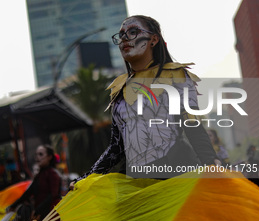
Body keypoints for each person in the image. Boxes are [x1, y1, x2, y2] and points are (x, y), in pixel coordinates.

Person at [70, 15, 220, 188]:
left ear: (153, 40)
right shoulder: (120, 89)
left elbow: (192, 125)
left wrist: (210, 161)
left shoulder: (175, 76)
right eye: (121, 35)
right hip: (138, 183)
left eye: (133, 32)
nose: (124, 38)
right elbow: (116, 147)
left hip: (176, 175)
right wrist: (87, 177)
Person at [9, 144, 62, 221]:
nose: (37, 157)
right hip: (41, 215)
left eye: (41, 154)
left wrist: (37, 210)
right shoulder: (40, 175)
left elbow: (53, 195)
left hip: (52, 216)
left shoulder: (52, 174)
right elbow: (29, 191)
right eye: (36, 155)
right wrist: (14, 205)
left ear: (49, 157)